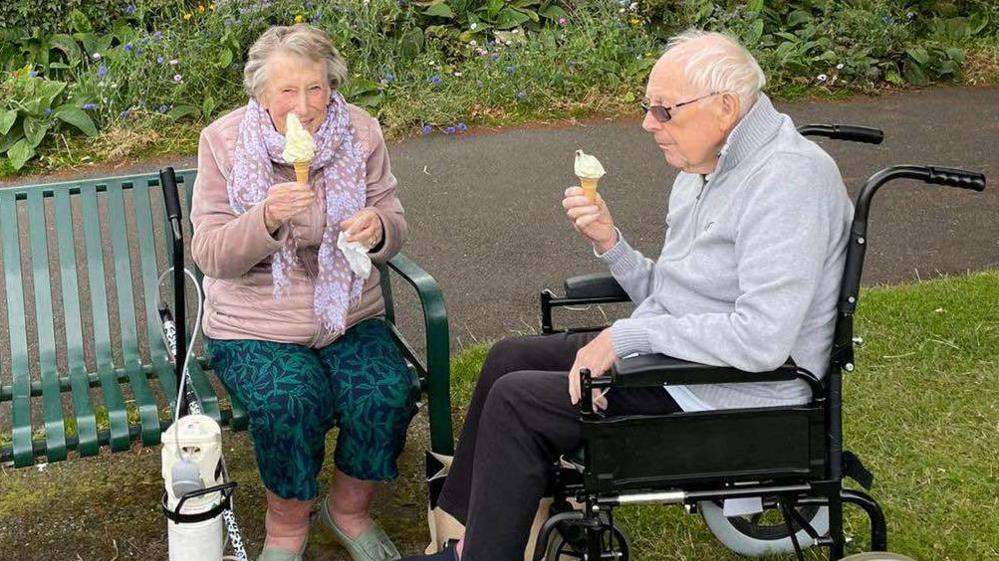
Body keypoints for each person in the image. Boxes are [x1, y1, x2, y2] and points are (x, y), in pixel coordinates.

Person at [400, 29, 853, 561]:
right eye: (647, 108)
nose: (647, 124)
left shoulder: (787, 182)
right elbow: (676, 295)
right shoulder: (704, 167)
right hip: (686, 363)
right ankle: (468, 537)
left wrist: (626, 339)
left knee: (518, 402)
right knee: (508, 358)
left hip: (736, 395)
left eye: (663, 111)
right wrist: (612, 245)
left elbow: (763, 339)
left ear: (725, 108)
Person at [190, 24, 412, 561]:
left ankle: (349, 510)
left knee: (385, 390)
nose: (305, 106)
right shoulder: (223, 141)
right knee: (292, 400)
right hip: (254, 323)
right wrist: (263, 219)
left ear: (332, 85)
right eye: (288, 91)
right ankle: (287, 527)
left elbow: (394, 218)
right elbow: (210, 254)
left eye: (316, 88)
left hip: (348, 315)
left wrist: (377, 228)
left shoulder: (361, 132)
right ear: (261, 93)